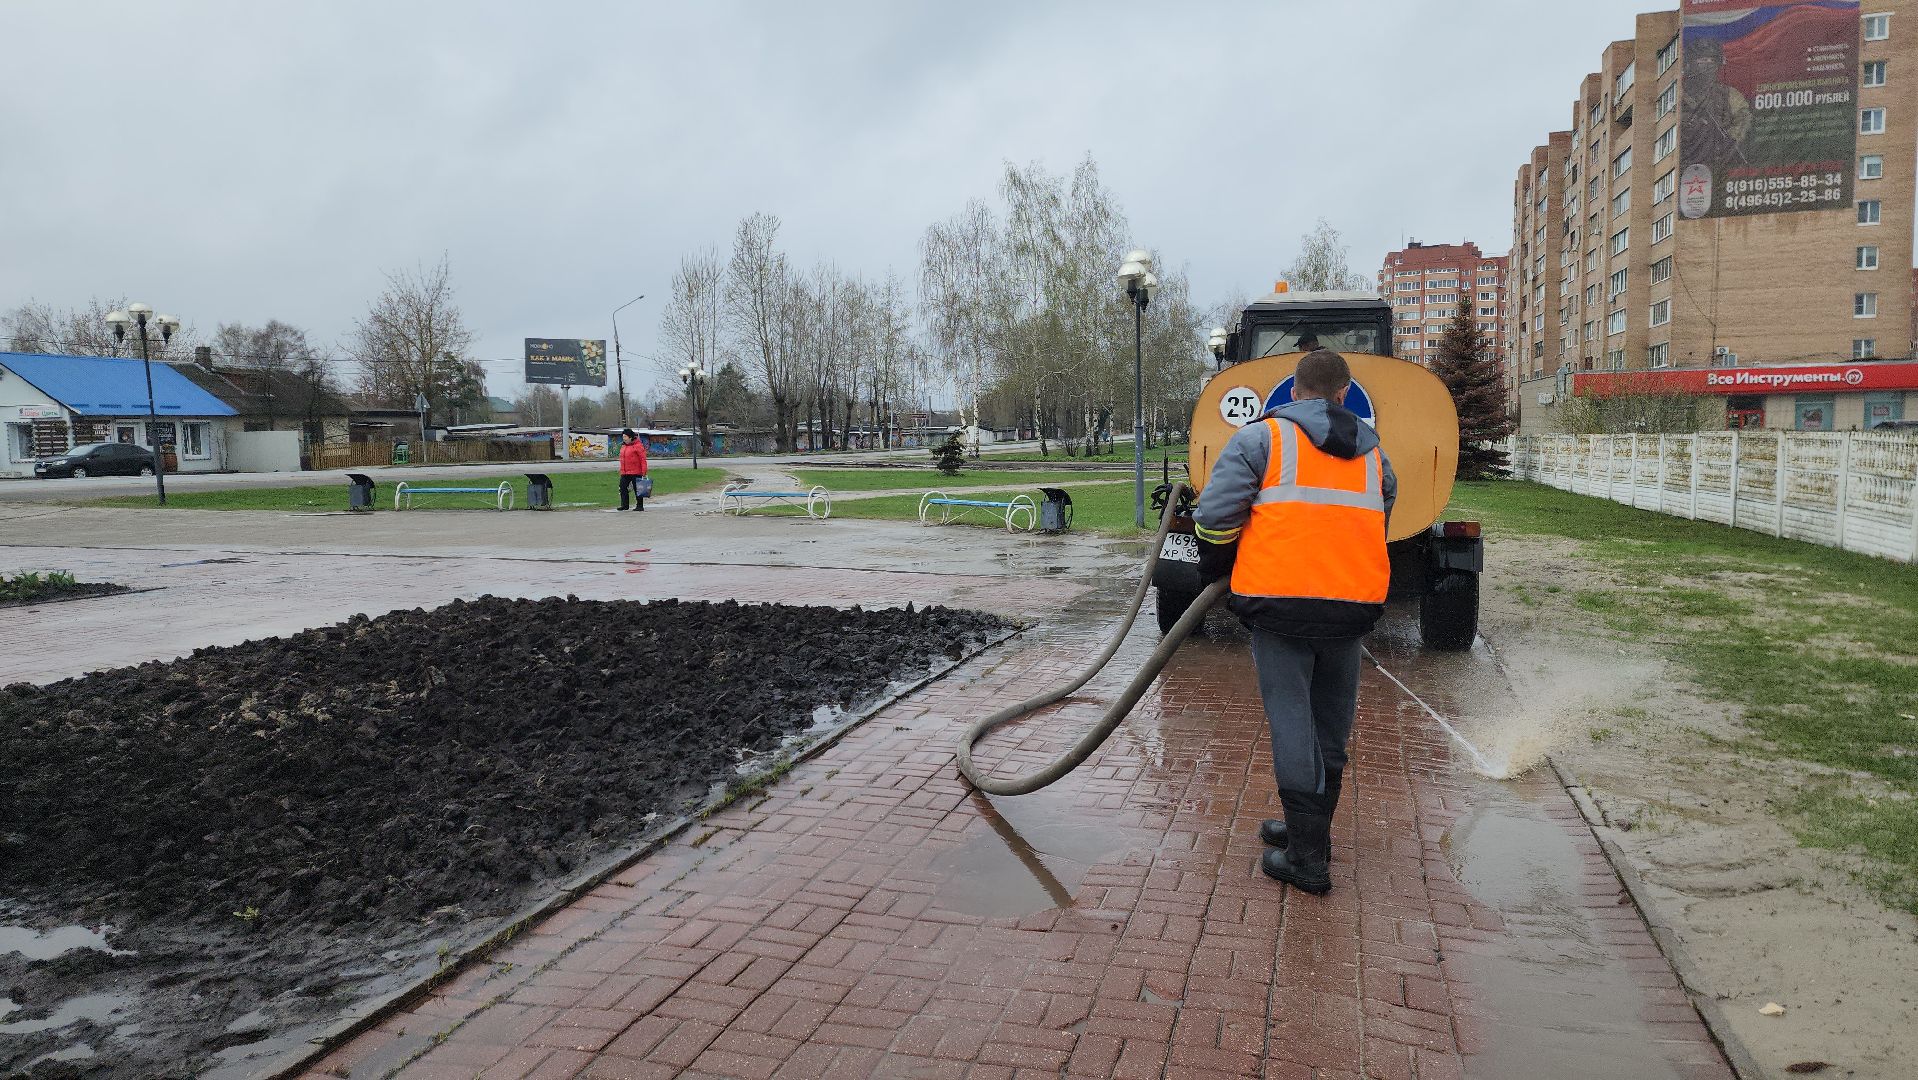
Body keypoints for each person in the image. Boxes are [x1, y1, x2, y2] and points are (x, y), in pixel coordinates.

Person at [1192, 350, 1396, 895]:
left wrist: (1220, 568)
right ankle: (1313, 830)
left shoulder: (1263, 440)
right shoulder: (1376, 456)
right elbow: (1378, 518)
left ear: (1294, 392)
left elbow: (1212, 517)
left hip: (1280, 607)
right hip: (1351, 608)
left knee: (1292, 725)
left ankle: (1307, 859)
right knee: (1332, 724)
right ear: (1342, 394)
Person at [617, 429, 649, 511]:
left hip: (636, 471)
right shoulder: (623, 446)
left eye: (625, 437)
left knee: (637, 489)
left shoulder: (638, 445)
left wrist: (644, 471)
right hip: (625, 472)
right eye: (623, 436)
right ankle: (624, 505)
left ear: (630, 437)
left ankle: (640, 506)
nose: (624, 438)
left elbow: (643, 459)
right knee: (622, 487)